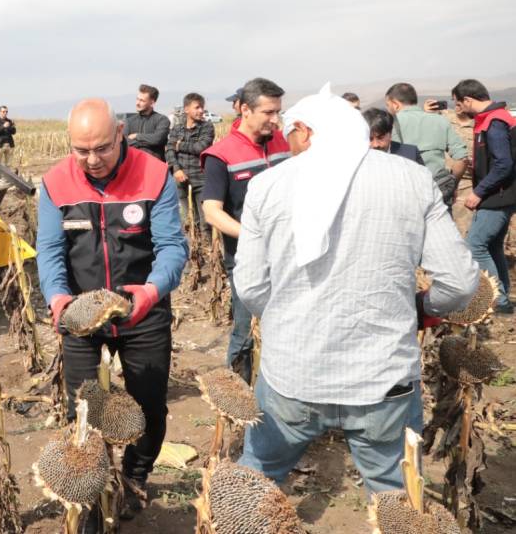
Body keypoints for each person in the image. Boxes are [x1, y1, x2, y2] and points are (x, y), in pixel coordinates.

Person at [234, 84, 479, 493]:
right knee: (394, 496)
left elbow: (251, 287)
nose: (286, 139)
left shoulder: (268, 185)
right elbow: (459, 282)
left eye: (290, 131)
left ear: (308, 132)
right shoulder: (412, 179)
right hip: (382, 381)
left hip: (294, 375)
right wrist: (420, 310)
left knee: (255, 481)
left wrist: (286, 318)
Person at [36, 99, 188, 524]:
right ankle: (90, 495)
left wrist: (151, 291)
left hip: (143, 311)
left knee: (150, 406)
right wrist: (58, 299)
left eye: (102, 147)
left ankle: (135, 475)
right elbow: (49, 251)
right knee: (82, 411)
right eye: (81, 150)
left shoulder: (153, 175)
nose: (92, 159)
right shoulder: (55, 183)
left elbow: (173, 247)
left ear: (120, 133)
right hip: (81, 318)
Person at [201, 78, 291, 383]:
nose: (275, 119)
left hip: (290, 255)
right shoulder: (221, 155)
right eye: (268, 112)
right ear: (244, 109)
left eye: (278, 111)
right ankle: (239, 394)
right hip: (246, 258)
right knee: (245, 328)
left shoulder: (283, 143)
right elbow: (212, 211)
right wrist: (253, 236)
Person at [451, 79, 516, 314]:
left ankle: (497, 300)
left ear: (468, 100)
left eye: (458, 104)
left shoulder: (494, 122)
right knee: (493, 245)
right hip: (502, 195)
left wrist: (478, 192)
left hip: (496, 197)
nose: (458, 109)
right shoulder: (494, 118)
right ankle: (503, 300)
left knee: (475, 245)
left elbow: (503, 164)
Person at [385, 83, 468, 206]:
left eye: (388, 105)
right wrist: (452, 185)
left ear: (395, 104)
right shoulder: (440, 120)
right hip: (438, 191)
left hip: (405, 194)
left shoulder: (390, 125)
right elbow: (462, 159)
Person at [166, 92, 215, 234]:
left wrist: (180, 146)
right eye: (197, 107)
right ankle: (192, 251)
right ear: (186, 109)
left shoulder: (207, 127)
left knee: (206, 221)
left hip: (200, 179)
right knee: (189, 220)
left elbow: (201, 147)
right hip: (181, 180)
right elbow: (169, 150)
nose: (201, 111)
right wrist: (176, 169)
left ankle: (208, 252)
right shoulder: (177, 129)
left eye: (202, 108)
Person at [123, 84, 170, 159]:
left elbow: (157, 139)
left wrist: (136, 136)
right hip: (134, 165)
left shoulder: (162, 120)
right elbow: (124, 142)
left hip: (155, 166)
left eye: (142, 100)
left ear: (152, 103)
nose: (137, 103)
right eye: (137, 99)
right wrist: (148, 142)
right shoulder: (129, 121)